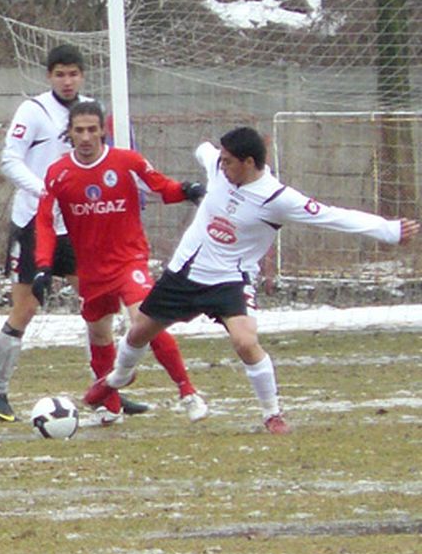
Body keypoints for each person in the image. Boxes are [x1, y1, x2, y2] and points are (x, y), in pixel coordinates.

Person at [85, 126, 420, 433]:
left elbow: (334, 217)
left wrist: (389, 231)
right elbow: (205, 152)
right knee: (138, 331)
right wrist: (203, 151)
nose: (221, 164)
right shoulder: (219, 167)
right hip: (185, 272)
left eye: (228, 161)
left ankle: (272, 413)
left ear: (248, 162)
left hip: (231, 279)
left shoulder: (278, 199)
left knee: (246, 342)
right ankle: (116, 378)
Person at [0, 43, 148, 422]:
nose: (67, 81)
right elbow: (9, 159)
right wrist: (46, 191)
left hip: (78, 227)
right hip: (34, 225)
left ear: (83, 76)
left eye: (73, 73)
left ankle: (107, 391)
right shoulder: (34, 110)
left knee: (97, 307)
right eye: (60, 74)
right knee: (26, 306)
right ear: (49, 76)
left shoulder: (90, 112)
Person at [33, 101, 208, 425]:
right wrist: (43, 265)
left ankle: (187, 392)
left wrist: (186, 190)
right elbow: (44, 221)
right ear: (69, 133)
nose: (86, 137)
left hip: (130, 260)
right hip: (91, 269)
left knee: (144, 321)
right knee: (99, 335)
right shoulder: (58, 173)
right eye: (79, 130)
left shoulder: (126, 161)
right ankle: (111, 408)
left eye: (92, 130)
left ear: (103, 131)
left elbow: (161, 187)